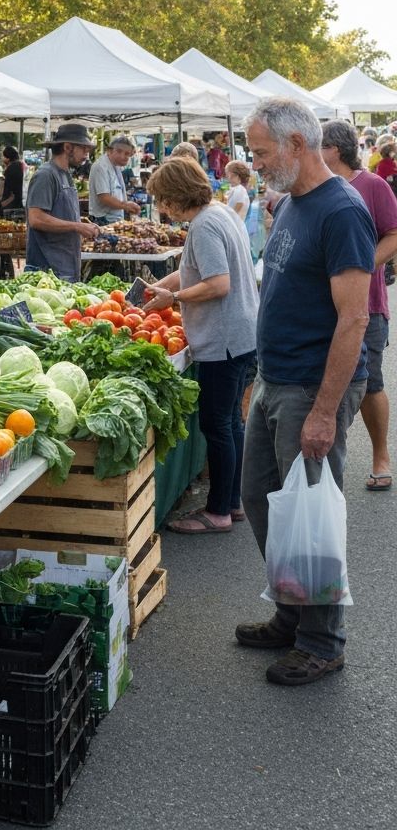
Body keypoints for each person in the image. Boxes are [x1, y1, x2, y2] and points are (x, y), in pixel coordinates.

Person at [236, 97, 375, 686]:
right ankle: (292, 613)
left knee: (312, 513)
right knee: (264, 501)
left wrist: (324, 411)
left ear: (297, 145)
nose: (255, 162)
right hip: (276, 380)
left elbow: (354, 320)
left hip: (310, 389)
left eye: (262, 153)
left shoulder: (341, 210)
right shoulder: (293, 201)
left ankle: (323, 640)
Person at [142, 157, 258, 534]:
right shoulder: (219, 212)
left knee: (217, 425)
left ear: (176, 196)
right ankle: (233, 502)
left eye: (162, 199)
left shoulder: (205, 225)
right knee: (231, 423)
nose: (161, 207)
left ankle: (218, 512)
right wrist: (167, 286)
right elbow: (196, 271)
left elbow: (218, 283)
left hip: (223, 340)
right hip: (242, 335)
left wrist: (174, 300)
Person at [321, 120, 397, 491]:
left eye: (319, 146)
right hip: (324, 307)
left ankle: (381, 454)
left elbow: (394, 233)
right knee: (328, 381)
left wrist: (366, 267)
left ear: (334, 149)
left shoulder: (373, 185)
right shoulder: (318, 187)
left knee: (370, 383)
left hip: (367, 305)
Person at [25, 124, 98, 282]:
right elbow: (36, 219)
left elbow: (57, 212)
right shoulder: (45, 175)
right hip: (47, 272)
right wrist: (77, 226)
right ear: (67, 147)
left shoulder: (65, 174)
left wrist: (80, 221)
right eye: (84, 149)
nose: (87, 154)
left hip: (65, 266)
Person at [88, 136, 141, 226]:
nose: (124, 157)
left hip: (114, 219)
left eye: (128, 154)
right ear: (109, 151)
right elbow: (104, 197)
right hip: (102, 220)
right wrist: (126, 206)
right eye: (119, 151)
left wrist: (126, 204)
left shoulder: (115, 166)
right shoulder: (101, 167)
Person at [0, 145, 24, 214]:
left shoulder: (11, 168)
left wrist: (1, 201)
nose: (2, 158)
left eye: (3, 156)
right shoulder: (18, 165)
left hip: (10, 203)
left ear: (8, 158)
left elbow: (5, 188)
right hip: (16, 202)